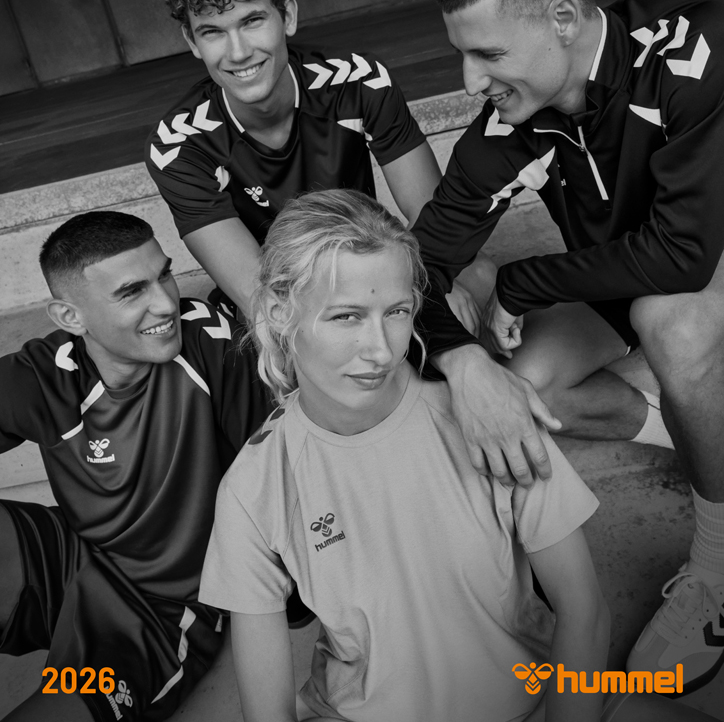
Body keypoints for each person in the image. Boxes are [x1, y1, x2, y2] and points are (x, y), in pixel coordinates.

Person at [198, 189, 715, 722]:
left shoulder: (492, 420)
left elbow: (583, 611)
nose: (380, 350)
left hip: (540, 700)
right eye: (346, 317)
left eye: (397, 312)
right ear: (280, 311)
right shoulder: (253, 488)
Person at [409, 0, 724, 691]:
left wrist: (515, 280)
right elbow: (417, 268)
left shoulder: (693, 55)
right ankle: (699, 435)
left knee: (671, 321)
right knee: (520, 390)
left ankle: (718, 565)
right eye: (461, 55)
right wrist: (463, 364)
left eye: (488, 54)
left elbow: (683, 255)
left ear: (561, 18)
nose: (470, 82)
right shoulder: (507, 126)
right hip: (623, 271)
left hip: (703, 260)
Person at [0, 211, 270, 722]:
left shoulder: (207, 341)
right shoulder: (45, 374)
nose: (166, 302)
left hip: (161, 609)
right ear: (70, 317)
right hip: (67, 554)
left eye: (164, 274)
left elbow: (278, 481)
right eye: (131, 292)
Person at [145, 0, 480, 329]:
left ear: (287, 17)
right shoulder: (179, 145)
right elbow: (260, 297)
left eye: (252, 21)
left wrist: (433, 281)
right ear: (192, 40)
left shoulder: (357, 82)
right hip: (285, 295)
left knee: (476, 276)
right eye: (213, 31)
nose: (238, 52)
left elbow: (433, 218)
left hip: (367, 261)